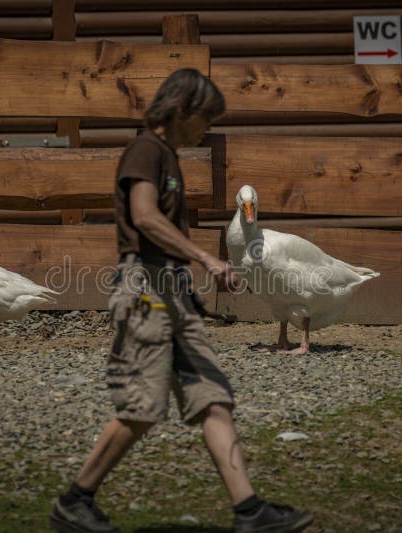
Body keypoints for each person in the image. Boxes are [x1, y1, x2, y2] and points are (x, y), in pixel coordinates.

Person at [49, 68, 313, 533]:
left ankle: (249, 513)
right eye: (204, 118)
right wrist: (204, 260)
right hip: (146, 294)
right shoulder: (145, 150)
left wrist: (199, 274)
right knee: (142, 408)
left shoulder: (167, 154)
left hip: (173, 293)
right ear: (181, 109)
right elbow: (144, 217)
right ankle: (75, 501)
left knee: (213, 399)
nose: (206, 129)